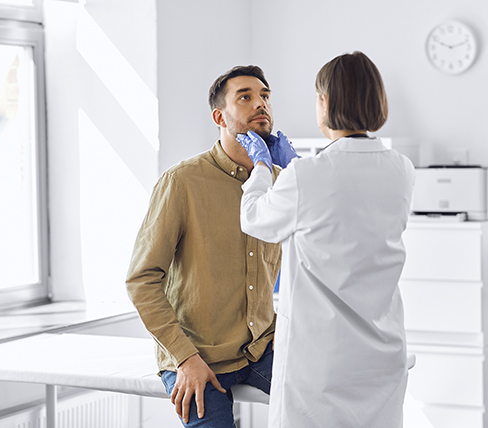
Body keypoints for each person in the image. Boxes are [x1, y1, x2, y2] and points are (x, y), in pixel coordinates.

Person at [237, 51, 415, 427]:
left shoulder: (305, 176)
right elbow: (342, 203)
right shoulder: (402, 168)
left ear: (325, 102)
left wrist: (263, 169)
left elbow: (255, 218)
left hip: (320, 362)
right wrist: (296, 168)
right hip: (381, 353)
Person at [126, 65, 283, 427]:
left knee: (332, 409)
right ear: (219, 116)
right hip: (198, 354)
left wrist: (284, 329)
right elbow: (141, 280)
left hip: (261, 348)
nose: (260, 104)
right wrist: (183, 358)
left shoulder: (279, 181)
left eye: (265, 96)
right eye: (244, 96)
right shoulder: (182, 182)